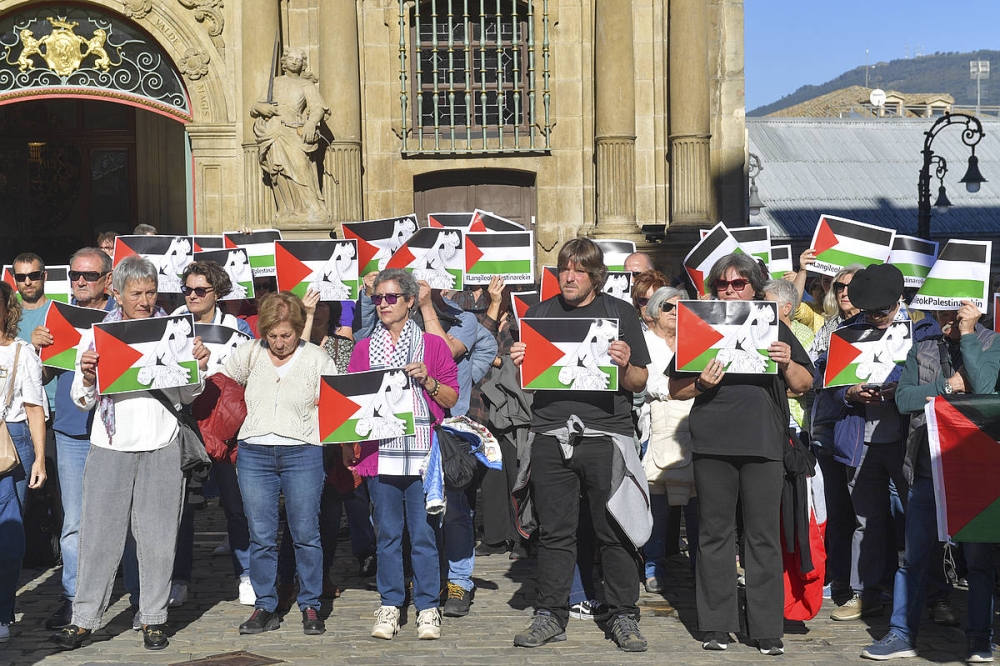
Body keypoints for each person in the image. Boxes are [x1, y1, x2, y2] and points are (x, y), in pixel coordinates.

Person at [51, 256, 209, 652]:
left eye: (151, 292)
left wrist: (198, 369)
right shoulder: (96, 334)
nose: (144, 300)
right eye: (136, 293)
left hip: (161, 442)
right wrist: (88, 377)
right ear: (116, 293)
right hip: (111, 444)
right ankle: (84, 618)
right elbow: (81, 400)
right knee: (99, 536)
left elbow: (186, 396)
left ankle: (154, 618)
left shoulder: (175, 332)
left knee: (157, 536)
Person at [509, 237, 651, 652]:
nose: (569, 277)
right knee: (555, 532)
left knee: (615, 531)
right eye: (564, 269)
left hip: (606, 436)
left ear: (595, 277)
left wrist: (625, 364)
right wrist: (521, 361)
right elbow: (529, 384)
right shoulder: (539, 315)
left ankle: (623, 614)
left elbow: (640, 381)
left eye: (579, 270)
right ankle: (550, 613)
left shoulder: (620, 313)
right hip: (552, 436)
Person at [669, 253, 813, 656]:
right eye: (723, 285)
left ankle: (766, 629)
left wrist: (785, 364)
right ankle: (716, 625)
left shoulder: (775, 325)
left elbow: (804, 383)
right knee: (715, 534)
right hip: (713, 441)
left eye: (739, 284)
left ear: (754, 287)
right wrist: (700, 382)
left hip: (763, 442)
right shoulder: (698, 323)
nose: (730, 290)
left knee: (762, 536)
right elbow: (674, 388)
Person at [862, 300, 1000, 663]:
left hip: (973, 471)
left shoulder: (992, 343)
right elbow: (905, 399)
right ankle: (901, 634)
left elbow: (985, 385)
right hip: (926, 469)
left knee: (979, 559)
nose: (945, 320)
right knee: (914, 558)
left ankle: (979, 639)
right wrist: (946, 386)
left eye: (953, 313)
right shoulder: (921, 348)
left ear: (972, 310)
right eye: (939, 312)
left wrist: (968, 335)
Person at [346, 268, 458, 641]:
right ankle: (391, 602)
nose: (382, 305)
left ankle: (428, 607)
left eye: (391, 298)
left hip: (422, 453)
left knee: (425, 533)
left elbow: (452, 399)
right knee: (388, 534)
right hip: (380, 454)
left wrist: (428, 379)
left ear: (410, 302)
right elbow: (351, 403)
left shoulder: (434, 345)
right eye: (377, 298)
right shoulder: (363, 348)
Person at [221, 291, 337, 636]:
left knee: (305, 532)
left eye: (286, 335)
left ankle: (311, 604)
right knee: (262, 535)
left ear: (298, 328)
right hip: (255, 451)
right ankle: (265, 604)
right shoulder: (250, 353)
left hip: (303, 451)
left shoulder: (317, 358)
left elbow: (335, 406)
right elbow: (223, 385)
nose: (279, 342)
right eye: (272, 335)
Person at [814, 264, 909, 623]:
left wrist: (903, 388)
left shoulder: (920, 330)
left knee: (914, 521)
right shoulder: (847, 334)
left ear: (898, 301)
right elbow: (829, 389)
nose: (876, 318)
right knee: (865, 520)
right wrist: (850, 392)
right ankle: (863, 592)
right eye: (869, 312)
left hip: (904, 440)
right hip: (860, 441)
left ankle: (931, 594)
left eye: (881, 312)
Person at [33, 248, 117, 630]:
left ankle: (131, 594)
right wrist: (39, 350)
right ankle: (73, 600)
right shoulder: (60, 319)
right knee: (74, 524)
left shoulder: (124, 318)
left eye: (89, 275)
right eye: (74, 275)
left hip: (117, 433)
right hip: (71, 432)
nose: (80, 281)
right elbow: (44, 377)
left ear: (108, 280)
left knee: (123, 520)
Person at [168, 261, 254, 609]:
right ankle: (178, 578)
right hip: (184, 423)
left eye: (200, 290)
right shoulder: (171, 323)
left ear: (217, 293)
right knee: (182, 508)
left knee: (236, 504)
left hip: (227, 426)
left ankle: (246, 573)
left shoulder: (238, 326)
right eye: (187, 289)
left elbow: (250, 371)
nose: (192, 295)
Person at [641, 285, 698, 594]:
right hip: (658, 429)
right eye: (668, 307)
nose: (675, 312)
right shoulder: (646, 342)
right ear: (654, 311)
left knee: (698, 503)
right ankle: (653, 565)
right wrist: (694, 385)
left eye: (681, 307)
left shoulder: (696, 341)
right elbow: (651, 383)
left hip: (697, 426)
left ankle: (700, 565)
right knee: (658, 502)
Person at [0, 279, 47, 644]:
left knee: (9, 531)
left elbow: (34, 408)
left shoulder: (21, 352)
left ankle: (2, 612)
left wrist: (40, 460)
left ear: (7, 309)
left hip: (10, 442)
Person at [251, 48, 331, 226]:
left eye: (299, 59)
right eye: (291, 58)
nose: (294, 62)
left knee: (301, 168)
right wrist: (261, 108)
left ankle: (313, 209)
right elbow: (255, 106)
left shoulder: (306, 85)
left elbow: (318, 108)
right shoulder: (274, 83)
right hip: (273, 132)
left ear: (303, 64)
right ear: (284, 62)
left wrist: (311, 123)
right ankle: (288, 210)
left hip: (294, 133)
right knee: (278, 173)